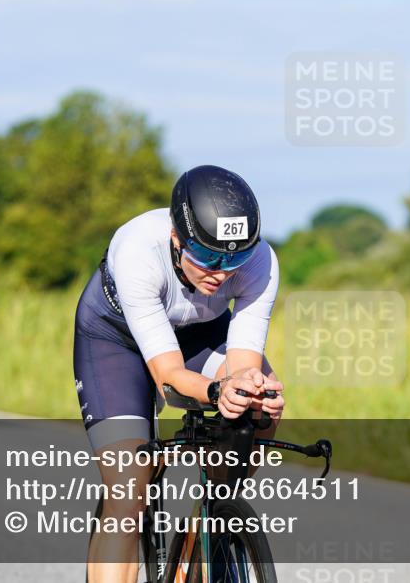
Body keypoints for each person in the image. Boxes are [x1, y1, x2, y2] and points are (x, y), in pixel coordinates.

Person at [72, 164, 284, 583]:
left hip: (198, 333)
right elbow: (169, 379)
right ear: (176, 238)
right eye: (206, 255)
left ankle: (212, 525)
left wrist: (244, 389)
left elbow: (242, 364)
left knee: (258, 406)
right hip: (116, 339)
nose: (220, 271)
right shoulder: (137, 250)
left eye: (235, 257)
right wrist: (216, 389)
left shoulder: (261, 261)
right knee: (128, 493)